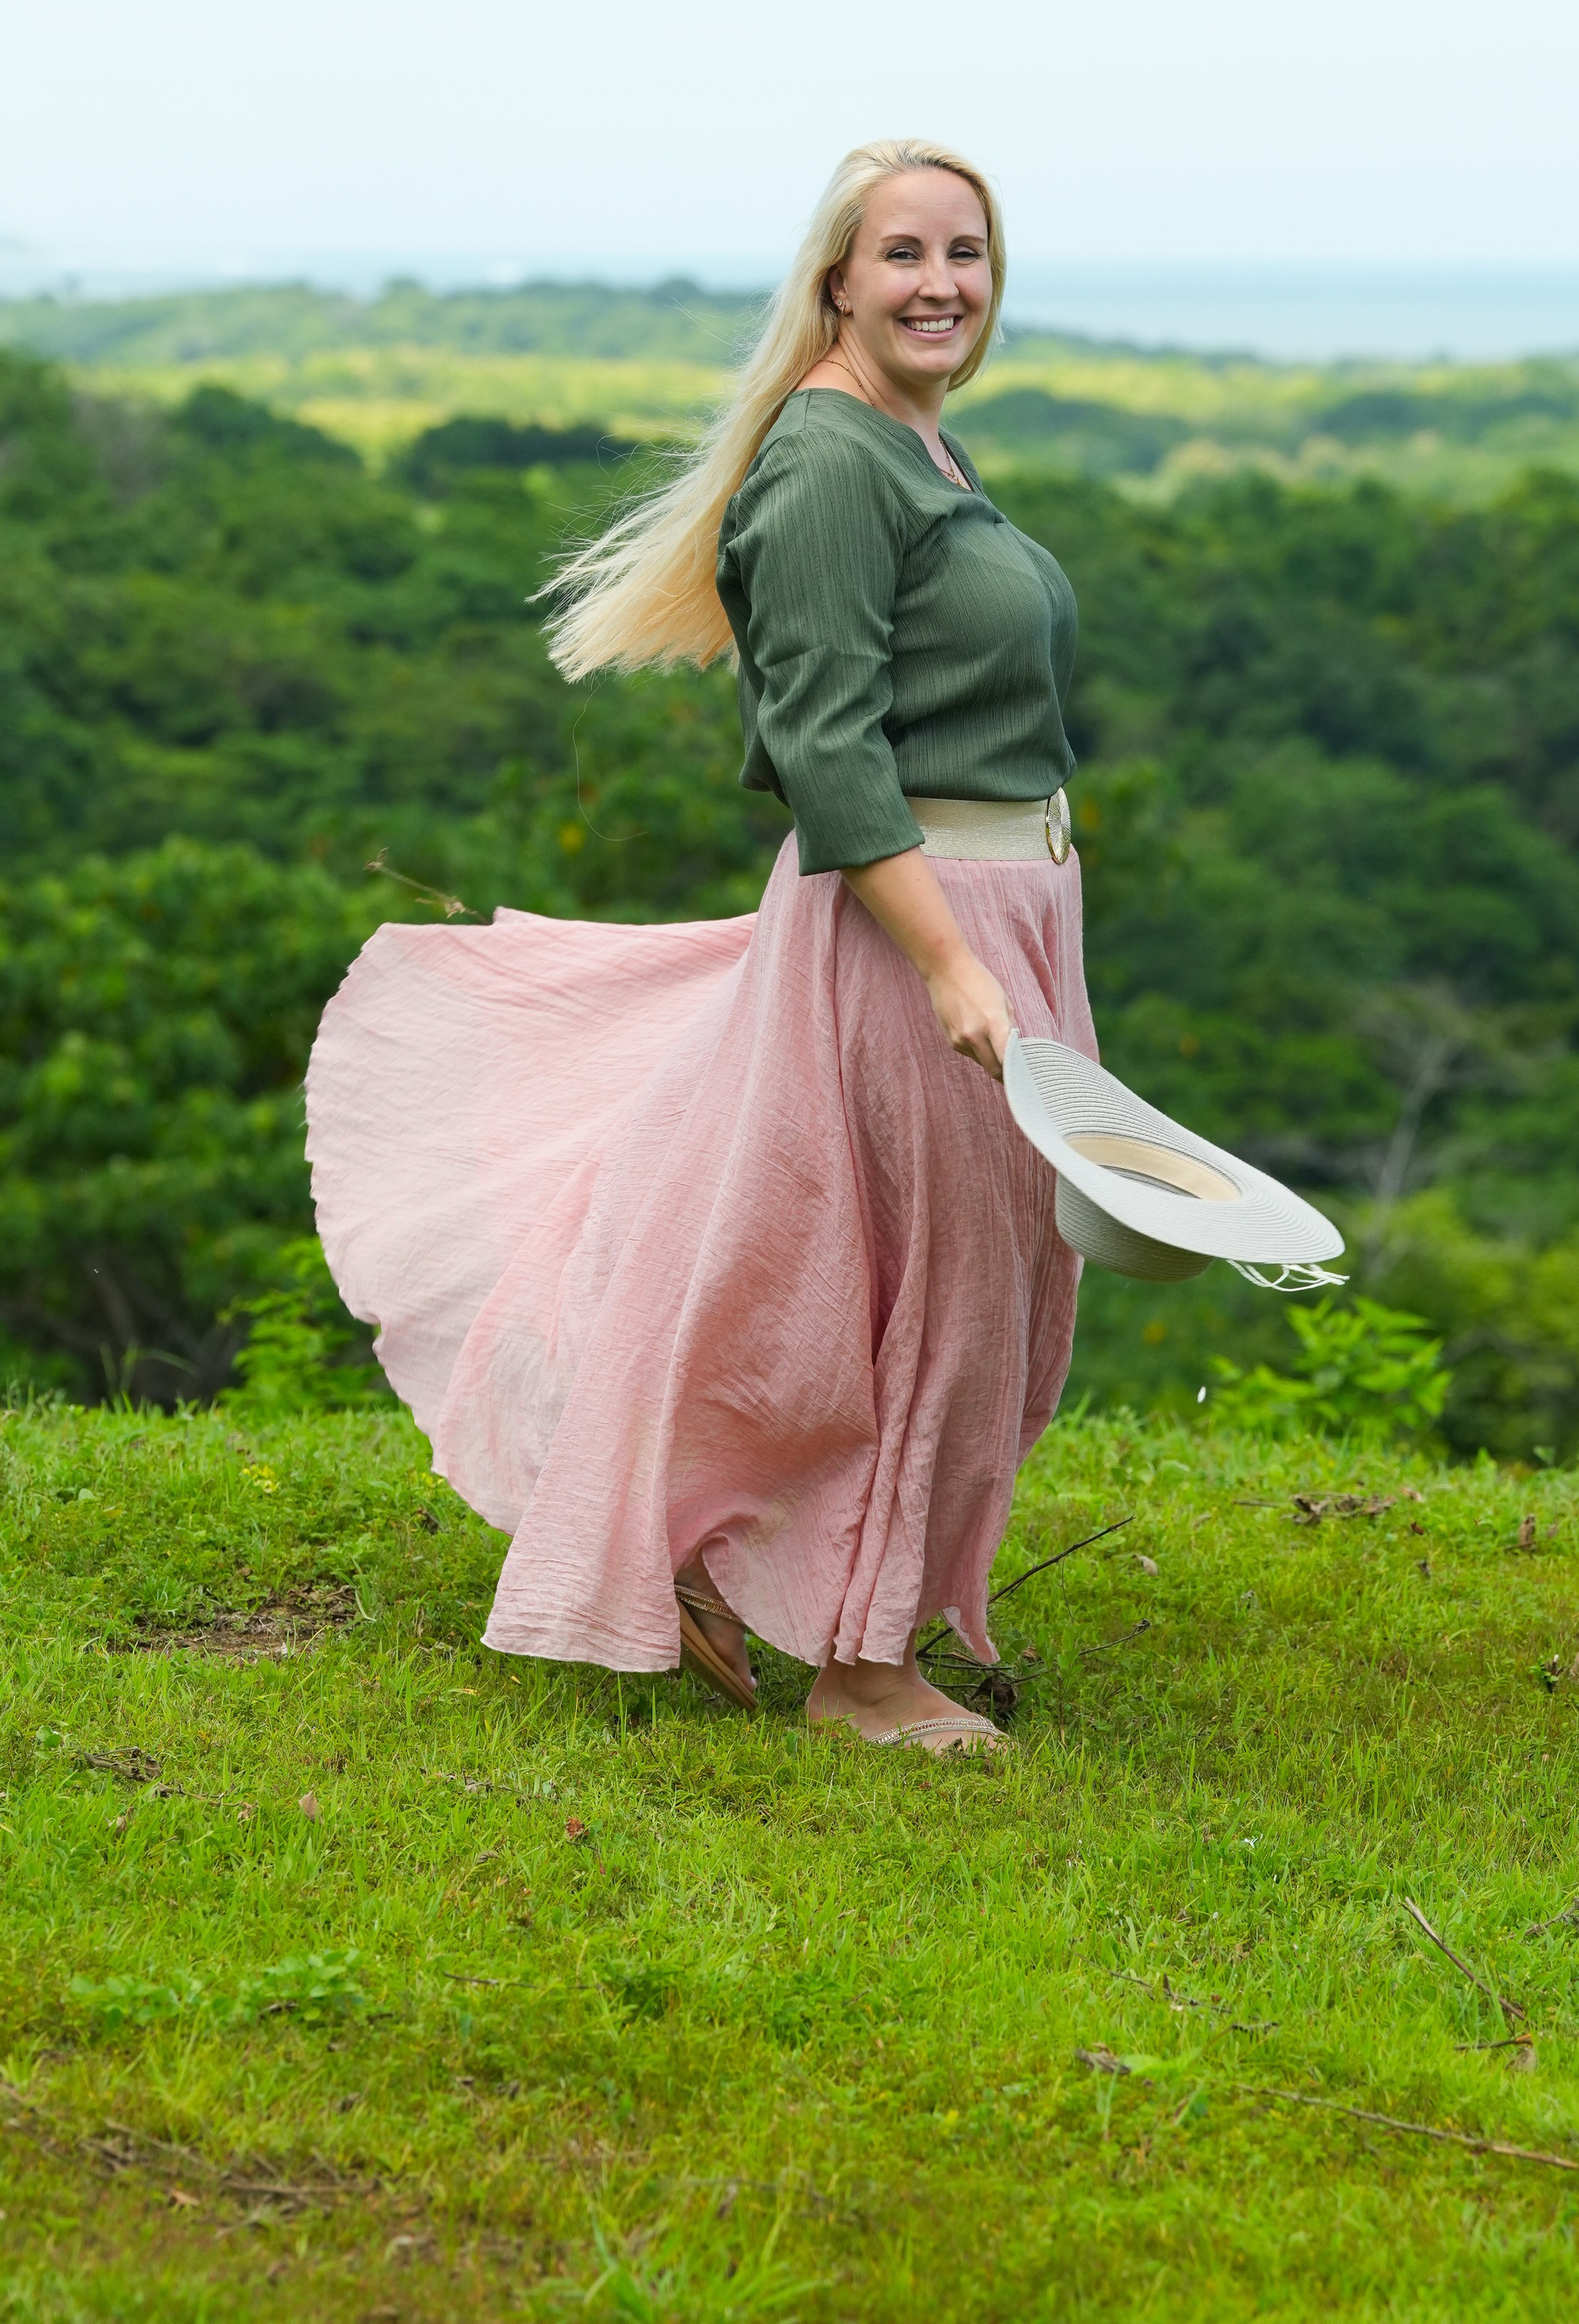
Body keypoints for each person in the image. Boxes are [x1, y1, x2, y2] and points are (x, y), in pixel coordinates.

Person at [305, 139, 1093, 1753]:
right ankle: (863, 1678)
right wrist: (950, 963)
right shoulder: (827, 463)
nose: (941, 283)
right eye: (904, 255)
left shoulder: (914, 447)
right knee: (917, 1292)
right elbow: (825, 740)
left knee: (904, 1272)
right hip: (915, 925)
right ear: (836, 278)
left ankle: (712, 1553)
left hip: (1000, 905)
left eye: (968, 252)